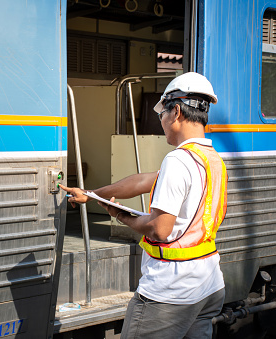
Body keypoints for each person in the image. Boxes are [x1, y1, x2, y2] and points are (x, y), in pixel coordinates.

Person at [60, 72, 228, 338]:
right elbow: (142, 181)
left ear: (175, 111)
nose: (160, 121)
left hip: (171, 290)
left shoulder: (179, 160)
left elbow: (160, 229)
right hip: (208, 286)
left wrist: (120, 215)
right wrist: (91, 195)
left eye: (162, 113)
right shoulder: (211, 160)